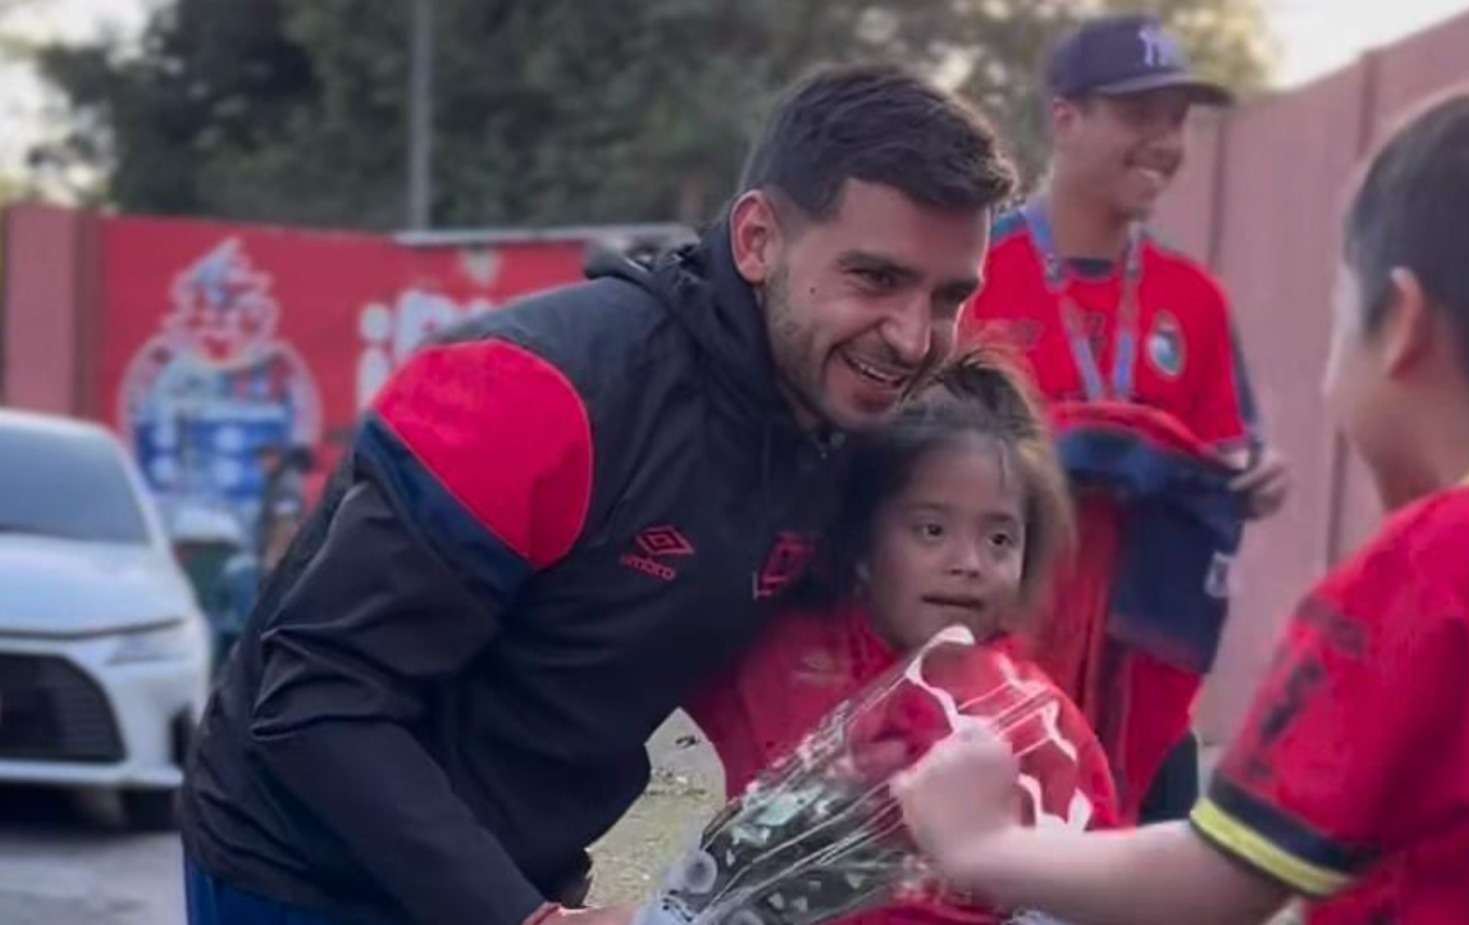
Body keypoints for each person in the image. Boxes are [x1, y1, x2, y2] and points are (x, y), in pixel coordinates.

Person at [177, 64, 1016, 925]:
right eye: (875, 279)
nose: (914, 337)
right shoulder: (536, 393)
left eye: (949, 296)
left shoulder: (852, 424)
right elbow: (316, 701)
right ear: (759, 240)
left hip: (526, 872)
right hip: (297, 872)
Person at [893, 66, 1469, 925]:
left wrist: (985, 845)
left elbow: (1219, 878)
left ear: (1403, 324)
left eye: (1342, 310)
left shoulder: (1425, 571)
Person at [966, 12, 1287, 825]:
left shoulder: (1195, 299)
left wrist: (1257, 476)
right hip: (994, 675)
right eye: (1140, 116)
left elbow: (1227, 450)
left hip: (1145, 689)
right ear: (1066, 117)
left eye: (1176, 121)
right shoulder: (973, 272)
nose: (1166, 142)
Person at [689, 347, 1118, 925]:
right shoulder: (777, 653)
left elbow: (1092, 883)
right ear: (863, 536)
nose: (968, 562)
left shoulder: (1039, 724)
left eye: (999, 540)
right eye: (931, 529)